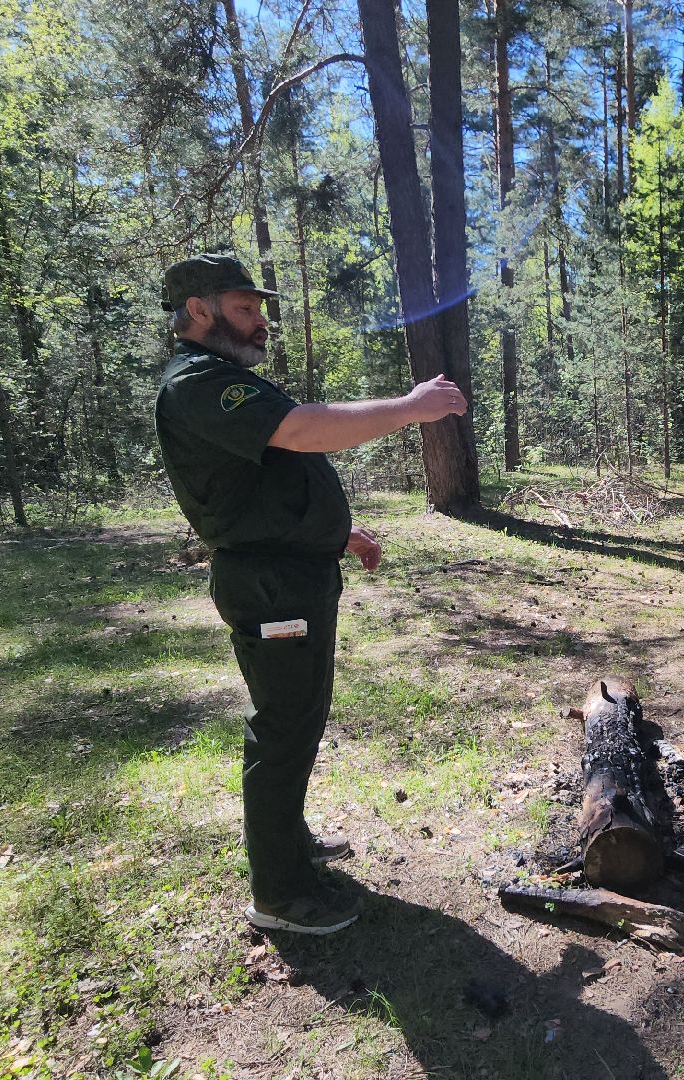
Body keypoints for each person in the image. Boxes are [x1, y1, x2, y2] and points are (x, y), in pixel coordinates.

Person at [154, 253, 466, 934]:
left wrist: (339, 534)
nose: (261, 322)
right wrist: (411, 409)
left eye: (259, 310)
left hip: (292, 574)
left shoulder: (225, 379)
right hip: (269, 585)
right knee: (283, 729)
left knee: (298, 721)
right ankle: (279, 895)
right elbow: (302, 429)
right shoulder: (199, 383)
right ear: (199, 311)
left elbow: (265, 483)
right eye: (245, 308)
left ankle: (288, 847)